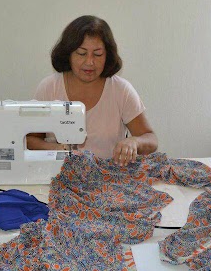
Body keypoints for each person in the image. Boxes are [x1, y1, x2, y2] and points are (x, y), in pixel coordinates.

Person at [27, 15, 158, 166]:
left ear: (107, 55)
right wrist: (57, 149)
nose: (89, 62)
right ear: (68, 54)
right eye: (81, 53)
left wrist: (134, 142)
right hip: (59, 173)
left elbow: (151, 139)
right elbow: (30, 140)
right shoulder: (50, 87)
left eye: (97, 54)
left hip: (110, 177)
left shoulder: (121, 90)